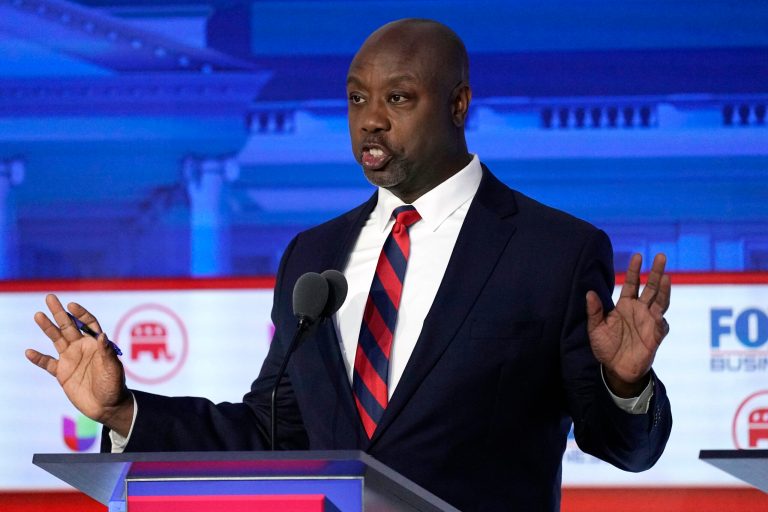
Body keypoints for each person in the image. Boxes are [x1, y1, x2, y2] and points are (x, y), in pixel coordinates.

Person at [26, 18, 672, 511]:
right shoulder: (314, 257)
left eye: (398, 100)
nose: (370, 123)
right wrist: (122, 411)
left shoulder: (553, 251)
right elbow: (273, 432)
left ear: (457, 104)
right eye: (357, 100)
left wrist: (625, 384)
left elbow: (624, 447)